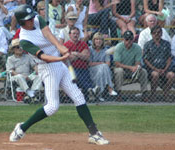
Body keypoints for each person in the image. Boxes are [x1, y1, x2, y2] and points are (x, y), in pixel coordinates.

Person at [9, 4, 109, 145]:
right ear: (21, 23)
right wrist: (60, 58)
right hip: (47, 68)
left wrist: (60, 47)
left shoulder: (37, 19)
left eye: (31, 17)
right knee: (52, 107)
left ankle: (94, 133)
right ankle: (22, 127)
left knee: (79, 97)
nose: (32, 20)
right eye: (28, 20)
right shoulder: (24, 41)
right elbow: (43, 56)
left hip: (60, 66)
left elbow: (48, 34)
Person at [64, 27, 98, 101]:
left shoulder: (83, 44)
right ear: (69, 35)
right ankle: (91, 88)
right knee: (76, 75)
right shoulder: (66, 45)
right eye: (73, 33)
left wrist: (75, 53)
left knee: (81, 76)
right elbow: (69, 58)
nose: (75, 35)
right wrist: (81, 55)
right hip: (71, 68)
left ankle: (89, 90)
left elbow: (87, 57)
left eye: (77, 34)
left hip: (84, 68)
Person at [114, 30, 148, 100]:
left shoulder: (137, 47)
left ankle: (144, 93)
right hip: (122, 68)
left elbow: (137, 62)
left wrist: (136, 68)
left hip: (132, 70)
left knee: (143, 71)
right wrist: (130, 67)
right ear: (123, 39)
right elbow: (117, 63)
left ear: (133, 39)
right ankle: (118, 93)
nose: (129, 41)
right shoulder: (119, 47)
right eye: (126, 39)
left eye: (130, 39)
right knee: (119, 71)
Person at [143, 25, 175, 100]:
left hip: (165, 69)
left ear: (161, 33)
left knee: (172, 75)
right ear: (151, 34)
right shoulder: (147, 44)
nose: (157, 34)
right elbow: (146, 60)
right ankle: (153, 95)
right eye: (154, 33)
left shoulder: (166, 44)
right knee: (155, 74)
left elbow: (169, 58)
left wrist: (165, 69)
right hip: (152, 69)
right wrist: (155, 69)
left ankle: (166, 94)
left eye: (159, 32)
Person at [89, 32, 117, 101]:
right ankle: (110, 89)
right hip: (92, 70)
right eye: (96, 39)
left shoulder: (105, 50)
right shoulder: (90, 49)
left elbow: (108, 64)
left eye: (100, 39)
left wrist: (100, 64)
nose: (98, 41)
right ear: (93, 40)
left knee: (103, 68)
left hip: (103, 70)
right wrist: (101, 63)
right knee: (103, 67)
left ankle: (98, 92)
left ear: (102, 41)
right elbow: (89, 64)